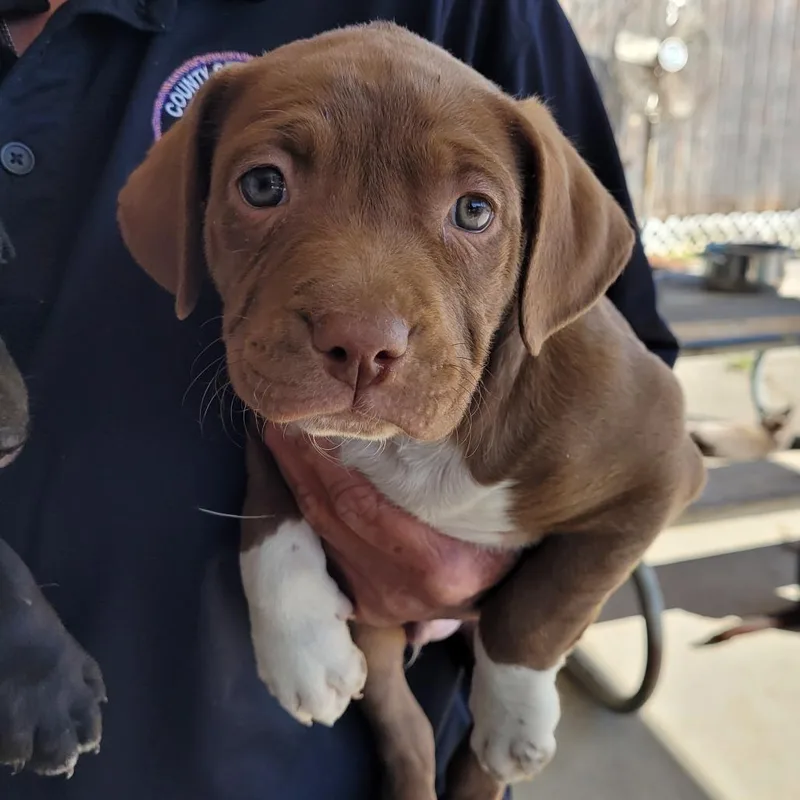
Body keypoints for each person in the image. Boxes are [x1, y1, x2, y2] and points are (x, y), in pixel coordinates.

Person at [0, 0, 679, 797]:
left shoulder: (479, 13)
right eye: (265, 186)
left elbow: (637, 376)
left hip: (290, 757)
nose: (364, 332)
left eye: (472, 210)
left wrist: (512, 630)